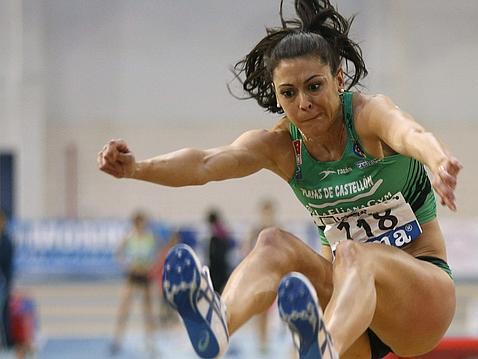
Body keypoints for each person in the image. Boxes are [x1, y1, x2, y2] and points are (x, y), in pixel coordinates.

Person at [98, 0, 462, 357]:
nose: (302, 102)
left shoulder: (368, 116)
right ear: (277, 95)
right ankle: (220, 322)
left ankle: (324, 348)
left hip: (421, 302)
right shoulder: (282, 145)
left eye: (314, 86)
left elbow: (408, 133)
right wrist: (136, 168)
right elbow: (205, 163)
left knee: (354, 253)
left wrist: (438, 159)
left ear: (339, 79)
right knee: (272, 242)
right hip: (348, 308)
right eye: (288, 93)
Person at [110, 211, 158, 355]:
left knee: (148, 312)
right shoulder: (129, 237)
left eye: (143, 223)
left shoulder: (150, 238)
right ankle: (117, 340)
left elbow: (158, 254)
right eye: (139, 223)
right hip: (132, 276)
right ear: (135, 223)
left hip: (145, 277)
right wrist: (126, 265)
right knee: (124, 310)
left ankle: (151, 342)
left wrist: (152, 267)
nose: (141, 226)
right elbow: (118, 253)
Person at [243, 199, 278, 354]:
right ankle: (261, 341)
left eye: (269, 211)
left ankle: (265, 339)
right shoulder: (255, 230)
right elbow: (246, 251)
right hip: (258, 275)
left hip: (274, 274)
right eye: (265, 211)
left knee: (269, 311)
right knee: (260, 310)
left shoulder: (279, 229)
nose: (267, 214)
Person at [206, 209, 233, 294]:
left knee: (217, 287)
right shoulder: (220, 230)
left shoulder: (216, 233)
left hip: (218, 266)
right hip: (220, 265)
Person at [0, 210, 14, 352]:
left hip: (3, 283)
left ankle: (7, 341)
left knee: (4, 313)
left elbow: (6, 263)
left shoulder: (7, 241)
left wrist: (8, 283)